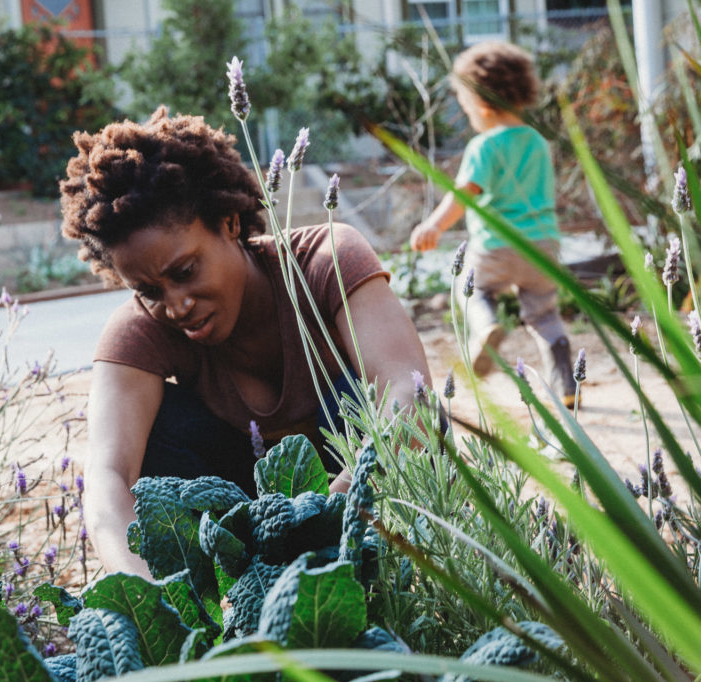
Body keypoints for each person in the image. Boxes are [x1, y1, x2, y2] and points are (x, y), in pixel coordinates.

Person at [60, 106, 433, 577]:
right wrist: (147, 597)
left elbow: (410, 393)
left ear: (230, 223)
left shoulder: (324, 261)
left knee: (357, 398)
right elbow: (107, 481)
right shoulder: (140, 331)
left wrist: (321, 520)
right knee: (157, 432)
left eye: (185, 271)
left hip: (369, 506)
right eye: (149, 291)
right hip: (245, 532)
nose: (176, 306)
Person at [409, 40, 577, 408]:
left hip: (497, 246)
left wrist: (434, 225)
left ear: (481, 102)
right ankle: (566, 384)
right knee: (544, 314)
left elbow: (464, 193)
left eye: (465, 105)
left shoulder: (484, 147)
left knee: (469, 287)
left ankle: (485, 325)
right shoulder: (537, 142)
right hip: (544, 245)